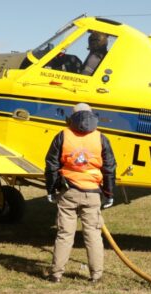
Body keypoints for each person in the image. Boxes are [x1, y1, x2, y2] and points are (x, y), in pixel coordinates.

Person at [45, 103, 116, 283]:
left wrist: (51, 190)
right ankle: (96, 275)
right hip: (92, 194)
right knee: (93, 235)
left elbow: (51, 165)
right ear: (92, 115)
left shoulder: (62, 135)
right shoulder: (101, 138)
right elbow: (109, 168)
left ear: (72, 116)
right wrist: (109, 193)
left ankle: (56, 274)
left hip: (68, 192)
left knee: (64, 234)